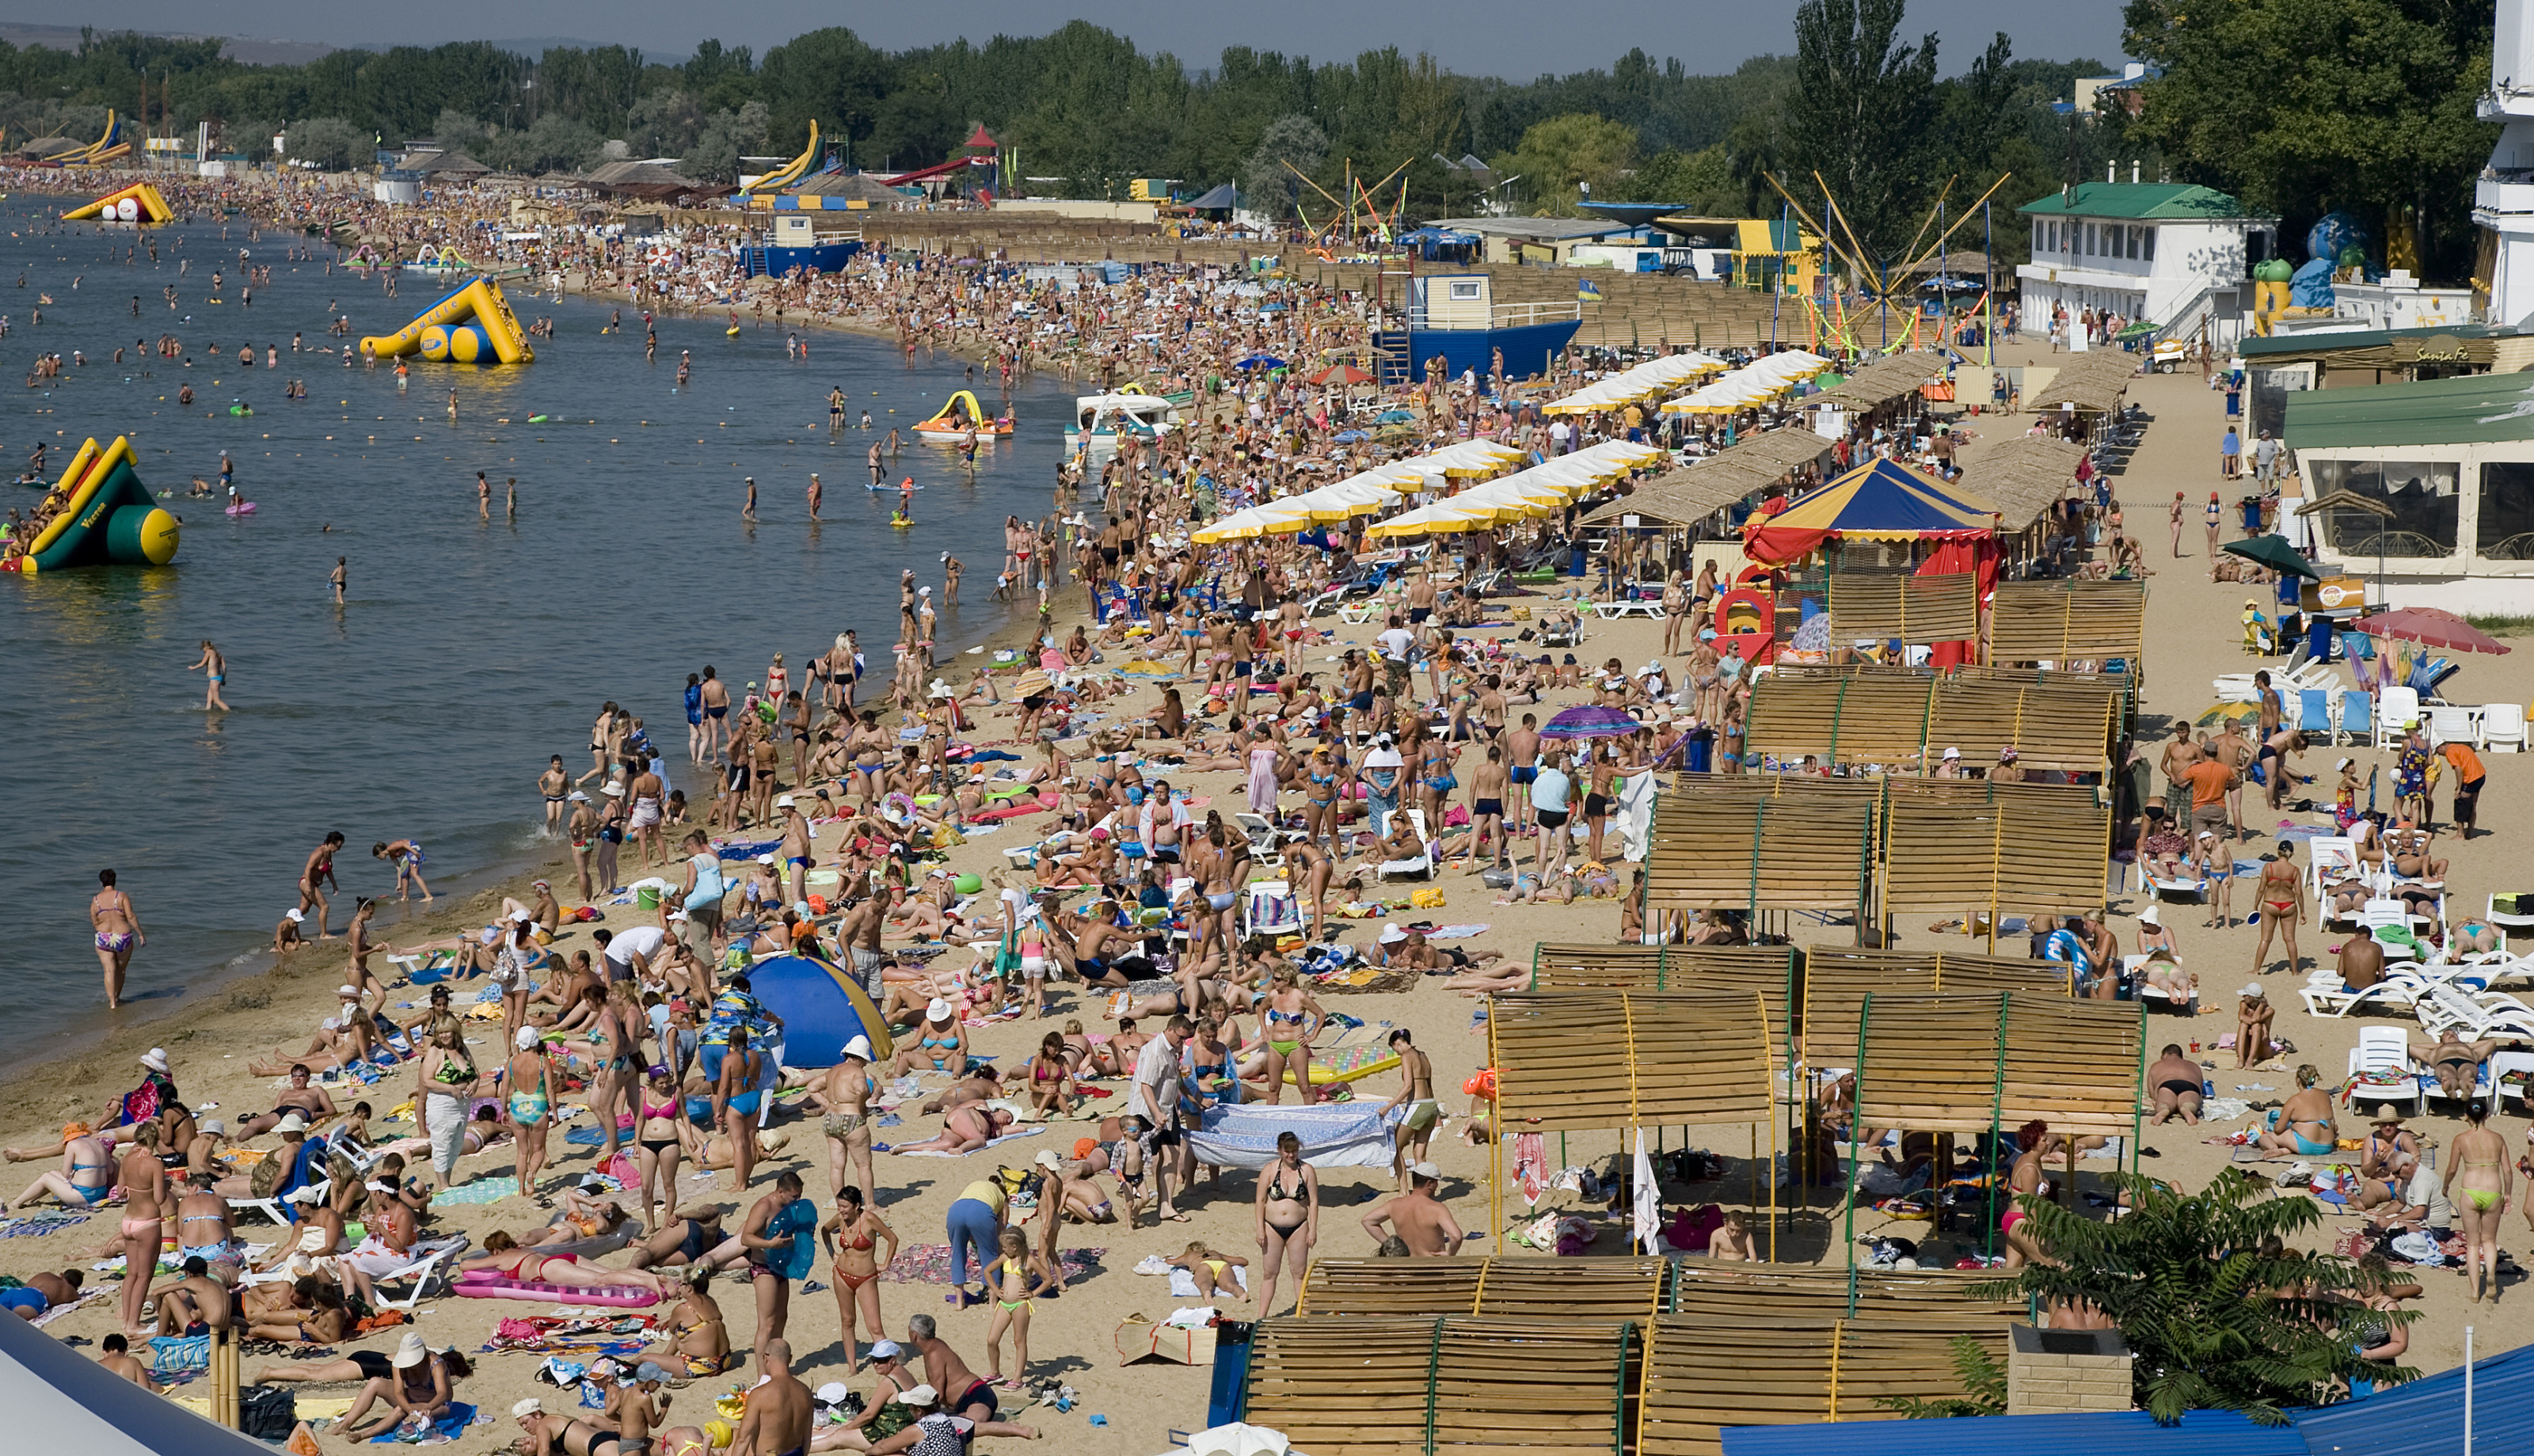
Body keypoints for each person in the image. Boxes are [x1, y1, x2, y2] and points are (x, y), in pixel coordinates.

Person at [820, 1184, 897, 1374]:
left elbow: (892, 1238)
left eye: (844, 1206)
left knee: (875, 1327)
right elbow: (824, 1231)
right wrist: (833, 1254)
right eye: (839, 1206)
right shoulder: (840, 1219)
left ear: (856, 1206)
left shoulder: (869, 1219)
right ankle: (852, 1366)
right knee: (847, 1321)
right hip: (842, 1275)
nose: (841, 1210)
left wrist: (886, 1264)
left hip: (865, 1278)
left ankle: (888, 1365)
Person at [2448, 1101, 2513, 1302]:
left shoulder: (2460, 1139)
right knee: (2489, 1240)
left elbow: (2452, 1169)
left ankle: (2475, 1292)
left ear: (2466, 1116)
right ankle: (2491, 1274)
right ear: (2487, 1115)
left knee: (2472, 1244)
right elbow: (2508, 1170)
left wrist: (2445, 1186)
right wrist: (2508, 1194)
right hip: (2493, 1189)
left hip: (2470, 1189)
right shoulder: (2498, 1138)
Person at [1254, 1129, 1318, 1314]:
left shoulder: (1306, 1171)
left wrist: (1313, 1229)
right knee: (1269, 1274)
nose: (1291, 1155)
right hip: (1271, 1227)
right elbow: (1260, 1201)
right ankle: (1261, 1317)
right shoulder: (1269, 1170)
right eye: (1287, 1151)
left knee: (1299, 1274)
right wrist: (1260, 1228)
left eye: (1294, 1151)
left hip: (1299, 1227)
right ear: (1279, 1150)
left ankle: (1303, 1316)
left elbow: (1313, 1201)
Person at [1378, 1028, 1440, 1185]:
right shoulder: (1423, 1055)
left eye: (1395, 1050)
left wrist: (1388, 1107)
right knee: (1420, 1155)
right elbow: (1427, 1085)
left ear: (1397, 1043)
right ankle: (1422, 1191)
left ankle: (1404, 1190)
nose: (1398, 1053)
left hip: (1418, 1106)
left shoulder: (1407, 1056)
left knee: (1395, 1147)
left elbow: (1408, 1087)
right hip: (1431, 1106)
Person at [1361, 1161, 1463, 1255]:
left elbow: (1367, 1221)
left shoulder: (1394, 1205)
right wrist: (1450, 1254)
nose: (1437, 1186)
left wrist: (1391, 1245)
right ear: (1429, 1184)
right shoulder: (1437, 1209)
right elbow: (1456, 1236)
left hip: (1406, 1267)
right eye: (1436, 1182)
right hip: (1431, 1267)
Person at [732, 1337, 812, 1456]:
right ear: (790, 1358)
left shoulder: (760, 1395)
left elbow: (743, 1438)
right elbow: (807, 1438)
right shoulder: (805, 1392)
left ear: (766, 1357)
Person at [2247, 838, 2304, 977]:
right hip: (2289, 905)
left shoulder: (2269, 867)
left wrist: (2255, 905)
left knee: (2265, 939)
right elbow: (2298, 893)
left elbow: (2261, 889)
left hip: (2270, 904)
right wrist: (2303, 911)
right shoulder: (2294, 870)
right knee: (2290, 939)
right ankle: (2295, 972)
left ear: (2278, 852)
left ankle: (2256, 970)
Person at [89, 868, 144, 1010]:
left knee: (109, 971)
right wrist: (140, 934)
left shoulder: (95, 900)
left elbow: (94, 922)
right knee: (120, 970)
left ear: (101, 883)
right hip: (122, 938)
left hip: (103, 938)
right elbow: (131, 916)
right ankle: (118, 998)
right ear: (115, 880)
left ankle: (112, 1003)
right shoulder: (121, 896)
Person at [2254, 1065, 2336, 1156]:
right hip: (2327, 1145)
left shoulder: (2294, 1100)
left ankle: (2274, 1149)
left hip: (2306, 1146)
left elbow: (2278, 1129)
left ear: (2298, 1080)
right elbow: (2335, 1126)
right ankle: (2286, 1150)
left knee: (2266, 1137)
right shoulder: (2325, 1095)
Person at [2408, 1028, 2503, 1101]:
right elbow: (2409, 1047)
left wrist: (2464, 1045)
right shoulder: (2434, 1052)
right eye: (2447, 1034)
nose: (2452, 1035)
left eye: (2454, 1034)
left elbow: (2492, 1042)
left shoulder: (2471, 1050)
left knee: (2467, 1072)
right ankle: (2450, 1088)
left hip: (2467, 1062)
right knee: (2446, 1073)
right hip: (2444, 1062)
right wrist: (2439, 1045)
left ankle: (2467, 1087)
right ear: (2441, 1041)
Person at [2146, 1044, 2205, 1126]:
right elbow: (2200, 1087)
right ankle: (2187, 1109)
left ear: (2165, 1055)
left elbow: (2152, 1093)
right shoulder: (2193, 1065)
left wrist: (2158, 1099)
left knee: (2165, 1101)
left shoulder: (2156, 1065)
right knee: (2189, 1101)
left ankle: (2164, 1109)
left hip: (2167, 1084)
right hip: (2190, 1085)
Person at [2235, 983, 2278, 1068]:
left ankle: (2250, 1059)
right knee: (2243, 1025)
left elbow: (2255, 1019)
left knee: (2256, 1026)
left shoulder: (2269, 1011)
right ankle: (2241, 1058)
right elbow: (2241, 1017)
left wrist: (2261, 1006)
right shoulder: (2244, 1004)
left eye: (2246, 995)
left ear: (2251, 997)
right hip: (2246, 1047)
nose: (2243, 997)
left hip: (2262, 1050)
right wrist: (2263, 1025)